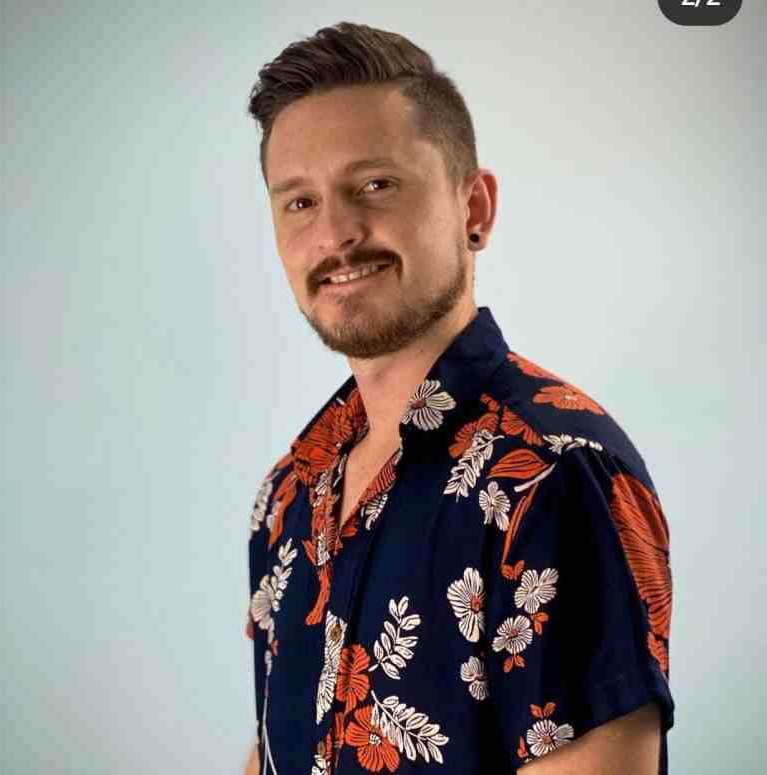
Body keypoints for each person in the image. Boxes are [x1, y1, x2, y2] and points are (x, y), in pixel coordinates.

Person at [242, 21, 674, 775]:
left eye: (374, 185)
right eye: (300, 202)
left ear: (474, 208)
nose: (335, 232)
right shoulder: (289, 494)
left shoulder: (553, 476)